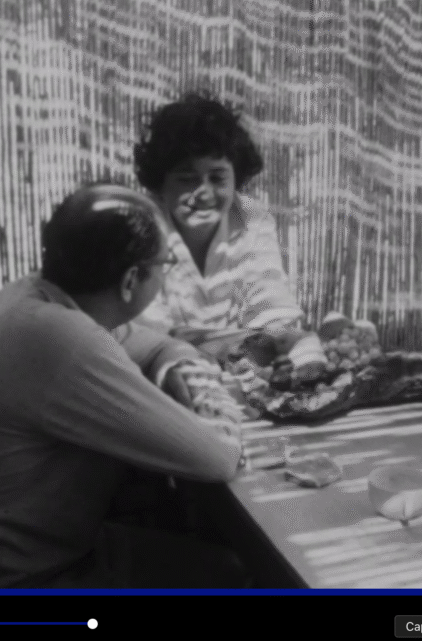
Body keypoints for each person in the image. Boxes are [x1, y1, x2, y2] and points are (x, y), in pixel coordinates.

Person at [0, 184, 248, 588]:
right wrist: (212, 397)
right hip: (32, 578)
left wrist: (178, 364)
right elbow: (218, 457)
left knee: (211, 557)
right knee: (231, 575)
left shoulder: (36, 298)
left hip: (51, 548)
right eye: (165, 263)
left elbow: (156, 344)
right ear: (131, 279)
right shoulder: (62, 339)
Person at [127, 93, 326, 374]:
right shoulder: (141, 227)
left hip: (243, 368)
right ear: (160, 183)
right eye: (187, 179)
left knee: (303, 346)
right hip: (165, 370)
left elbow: (270, 306)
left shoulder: (251, 218)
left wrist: (284, 343)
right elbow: (150, 335)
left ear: (236, 176)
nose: (204, 193)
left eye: (217, 178)